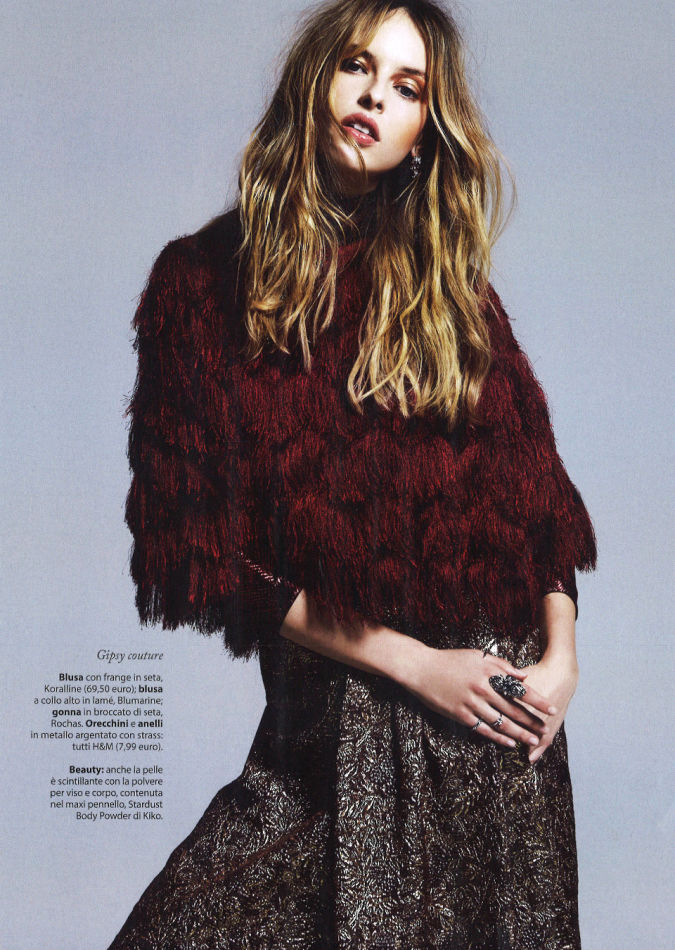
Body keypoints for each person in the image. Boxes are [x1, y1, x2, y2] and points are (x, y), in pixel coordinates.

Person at [110, 0, 597, 947]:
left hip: (490, 734)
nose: (374, 97)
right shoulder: (199, 284)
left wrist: (560, 663)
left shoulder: (452, 292)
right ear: (315, 77)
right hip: (329, 727)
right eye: (357, 66)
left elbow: (539, 509)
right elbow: (205, 556)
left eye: (407, 87)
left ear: (425, 131)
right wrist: (415, 665)